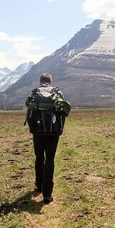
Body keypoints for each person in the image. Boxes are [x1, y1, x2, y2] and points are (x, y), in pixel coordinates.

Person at [25, 73, 70, 204]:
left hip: (38, 132)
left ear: (40, 82)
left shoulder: (35, 92)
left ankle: (39, 186)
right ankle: (47, 195)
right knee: (50, 159)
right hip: (53, 132)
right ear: (51, 82)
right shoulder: (57, 92)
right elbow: (64, 111)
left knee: (39, 157)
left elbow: (29, 107)